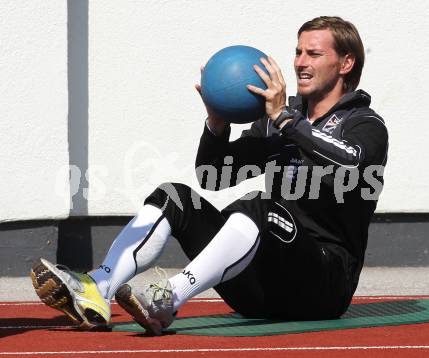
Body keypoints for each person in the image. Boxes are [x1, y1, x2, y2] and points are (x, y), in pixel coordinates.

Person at [31, 16, 388, 335]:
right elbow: (214, 176)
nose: (299, 63)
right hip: (258, 288)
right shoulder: (278, 121)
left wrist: (286, 121)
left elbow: (351, 163)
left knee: (259, 207)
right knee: (174, 196)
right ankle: (97, 288)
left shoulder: (364, 124)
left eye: (313, 54)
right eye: (297, 52)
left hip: (322, 287)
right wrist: (216, 124)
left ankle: (168, 296)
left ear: (346, 62)